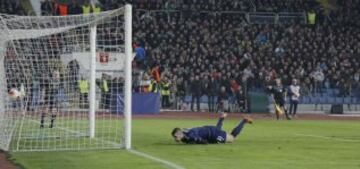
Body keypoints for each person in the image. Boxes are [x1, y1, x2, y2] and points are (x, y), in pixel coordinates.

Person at [171, 113, 253, 144]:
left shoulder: (191, 135)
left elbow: (204, 142)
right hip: (208, 130)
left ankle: (244, 120)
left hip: (212, 134)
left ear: (179, 133)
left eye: (176, 136)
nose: (175, 138)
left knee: (232, 138)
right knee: (217, 129)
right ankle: (221, 118)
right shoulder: (185, 132)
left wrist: (196, 141)